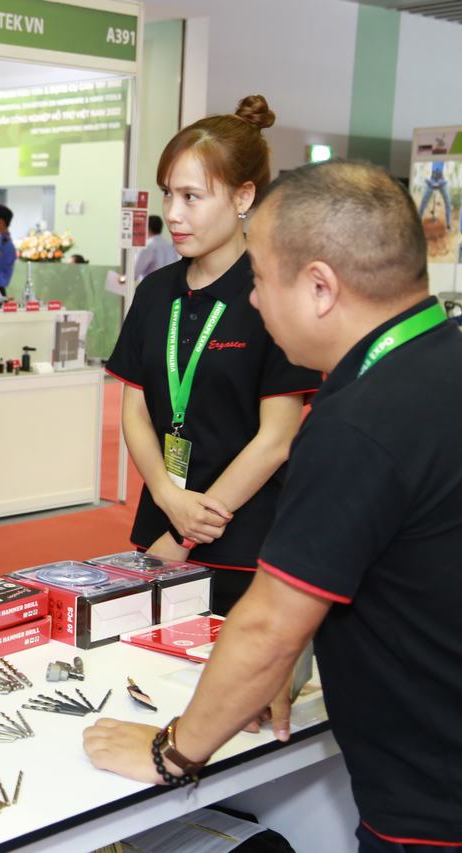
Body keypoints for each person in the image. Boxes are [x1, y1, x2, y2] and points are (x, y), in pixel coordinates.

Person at [85, 160, 462, 853]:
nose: (255, 301)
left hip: (458, 806)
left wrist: (172, 752)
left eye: (260, 279)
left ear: (319, 287)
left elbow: (267, 625)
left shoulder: (363, 419)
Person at [103, 95, 320, 616]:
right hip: (162, 527)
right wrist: (168, 499)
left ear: (243, 196)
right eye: (168, 194)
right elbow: (135, 411)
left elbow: (276, 439)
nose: (173, 214)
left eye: (192, 197)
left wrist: (189, 530)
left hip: (245, 541)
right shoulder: (155, 292)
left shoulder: (273, 294)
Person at [132, 214, 180, 283]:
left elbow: (134, 274)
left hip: (151, 287)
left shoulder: (148, 246)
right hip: (169, 287)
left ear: (147, 228)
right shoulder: (170, 247)